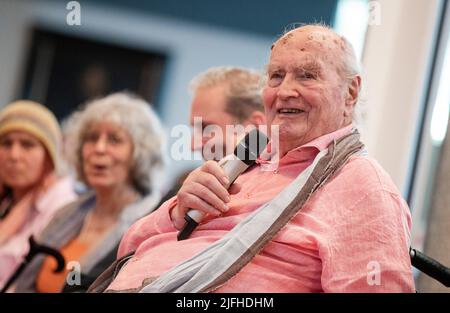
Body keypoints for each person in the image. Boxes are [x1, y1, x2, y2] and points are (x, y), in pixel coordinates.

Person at [91, 25, 415, 293]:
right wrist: (177, 213)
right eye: (276, 76)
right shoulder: (244, 158)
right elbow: (129, 248)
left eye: (306, 76)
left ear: (351, 93)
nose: (285, 91)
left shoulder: (364, 187)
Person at [12, 93, 166, 292]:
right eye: (92, 138)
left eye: (114, 140)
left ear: (140, 154)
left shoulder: (150, 223)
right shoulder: (67, 212)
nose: (99, 149)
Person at [158, 66, 267, 204]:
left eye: (206, 128)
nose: (193, 146)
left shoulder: (277, 197)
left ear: (254, 127)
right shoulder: (186, 194)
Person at [0, 100, 77, 290]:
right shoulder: (8, 198)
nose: (14, 155)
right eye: (6, 143)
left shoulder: (62, 204)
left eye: (27, 145)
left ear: (50, 156)